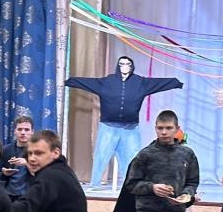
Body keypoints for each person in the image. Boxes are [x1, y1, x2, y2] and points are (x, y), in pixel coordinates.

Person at [65, 56, 182, 190]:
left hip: (130, 129)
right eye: (122, 64)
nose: (125, 67)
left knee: (133, 160)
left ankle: (131, 186)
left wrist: (176, 83)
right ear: (118, 66)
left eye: (128, 64)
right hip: (108, 128)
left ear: (132, 66)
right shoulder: (107, 82)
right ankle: (94, 184)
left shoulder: (140, 82)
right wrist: (69, 81)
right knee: (101, 156)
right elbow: (88, 83)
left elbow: (158, 83)